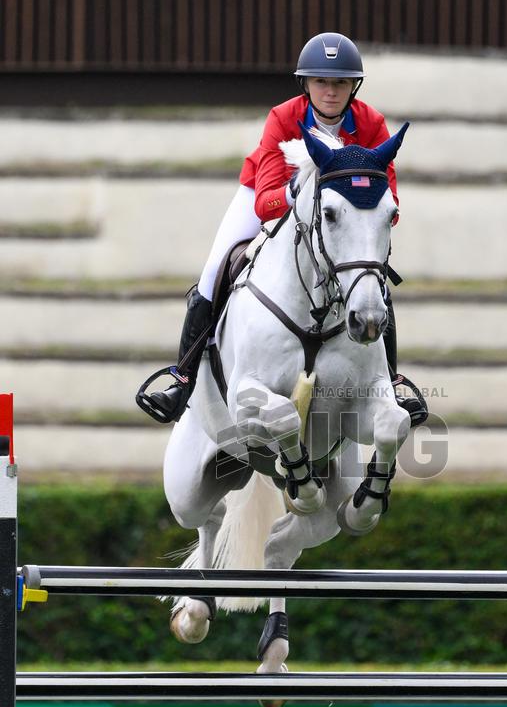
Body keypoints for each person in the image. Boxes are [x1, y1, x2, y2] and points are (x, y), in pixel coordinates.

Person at [137, 32, 427, 428]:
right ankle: (183, 378)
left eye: (341, 82)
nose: (330, 91)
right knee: (214, 270)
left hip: (339, 217)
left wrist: (371, 217)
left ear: (353, 86)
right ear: (305, 84)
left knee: (372, 284)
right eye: (322, 82)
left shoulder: (371, 123)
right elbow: (264, 203)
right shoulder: (284, 117)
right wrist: (300, 191)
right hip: (270, 195)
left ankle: (390, 382)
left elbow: (387, 194)